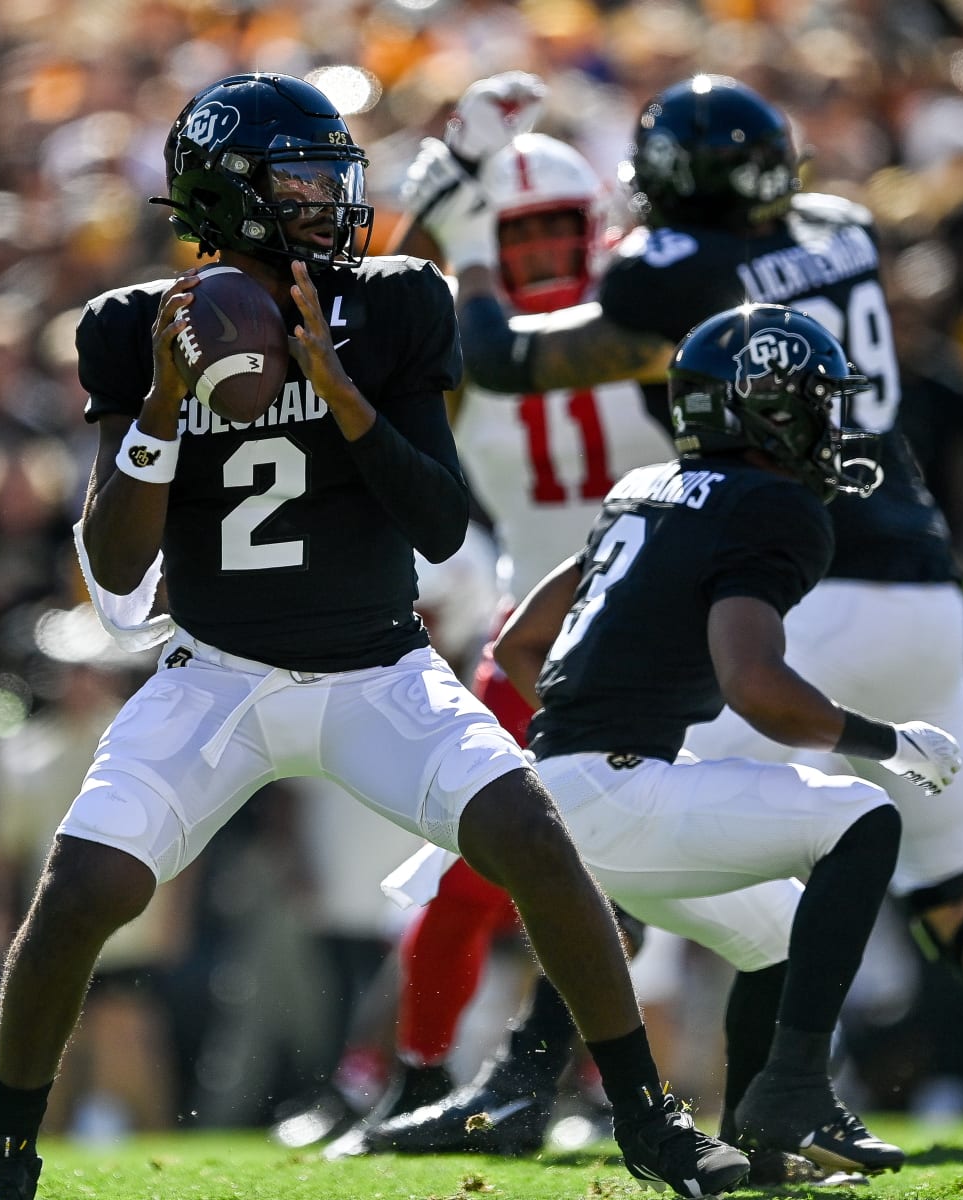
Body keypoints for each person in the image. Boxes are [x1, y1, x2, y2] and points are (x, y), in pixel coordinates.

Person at [0, 72, 749, 1200]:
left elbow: (434, 519)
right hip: (218, 676)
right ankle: (4, 1151)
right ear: (226, 195)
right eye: (298, 182)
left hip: (378, 667)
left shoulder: (393, 304)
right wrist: (163, 412)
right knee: (81, 888)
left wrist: (343, 395)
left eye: (335, 179)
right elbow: (120, 571)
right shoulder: (136, 329)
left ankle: (647, 1117)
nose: (328, 202)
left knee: (533, 833)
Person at [412, 72, 963, 1145]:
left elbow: (509, 357)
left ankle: (530, 1078)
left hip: (797, 578)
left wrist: (466, 240)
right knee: (960, 886)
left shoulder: (678, 266)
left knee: (645, 839)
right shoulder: (844, 228)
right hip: (922, 582)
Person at [283, 122, 683, 1157]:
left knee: (639, 878)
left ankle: (601, 1084)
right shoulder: (460, 338)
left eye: (561, 232)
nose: (547, 258)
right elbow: (358, 318)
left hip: (656, 631)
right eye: (522, 236)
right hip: (532, 632)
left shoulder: (642, 327)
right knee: (463, 875)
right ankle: (417, 1083)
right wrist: (431, 197)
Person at [491, 303, 955, 1173]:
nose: (829, 422)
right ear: (765, 410)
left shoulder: (641, 489)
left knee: (777, 933)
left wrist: (587, 736)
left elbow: (519, 641)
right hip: (622, 791)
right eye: (815, 401)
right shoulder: (773, 506)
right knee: (863, 819)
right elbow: (756, 687)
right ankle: (798, 1089)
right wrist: (887, 742)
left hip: (555, 794)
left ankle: (761, 1133)